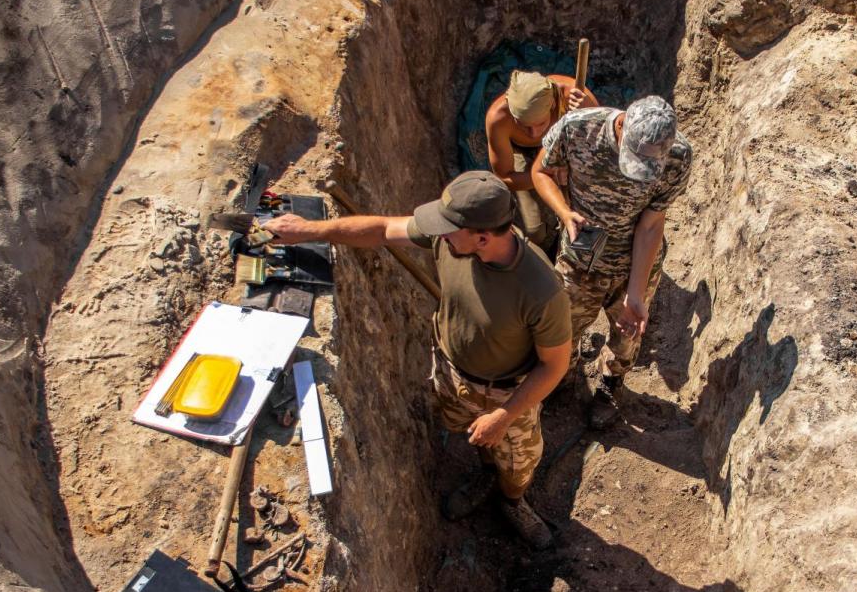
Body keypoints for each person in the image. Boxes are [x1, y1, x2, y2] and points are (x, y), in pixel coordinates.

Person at [263, 170, 570, 548]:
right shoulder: (452, 237)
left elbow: (554, 365)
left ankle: (513, 500)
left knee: (518, 463)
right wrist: (309, 230)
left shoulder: (542, 291)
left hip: (508, 395)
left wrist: (503, 417)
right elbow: (381, 229)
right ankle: (487, 471)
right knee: (471, 434)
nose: (438, 234)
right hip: (450, 370)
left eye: (448, 229)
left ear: (483, 237)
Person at [530, 96, 692, 429]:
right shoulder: (577, 128)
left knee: (628, 334)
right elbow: (541, 171)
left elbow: (651, 224)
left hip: (635, 262)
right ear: (621, 125)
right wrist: (564, 212)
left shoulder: (677, 155)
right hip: (578, 260)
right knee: (563, 329)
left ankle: (610, 384)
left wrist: (635, 293)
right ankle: (562, 379)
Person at [485, 70, 596, 250]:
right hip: (523, 151)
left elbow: (599, 142)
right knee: (534, 231)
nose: (534, 134)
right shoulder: (498, 118)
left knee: (589, 213)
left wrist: (590, 112)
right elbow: (504, 177)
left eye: (541, 123)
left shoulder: (573, 97)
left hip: (563, 144)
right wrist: (546, 176)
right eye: (524, 126)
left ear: (553, 105)